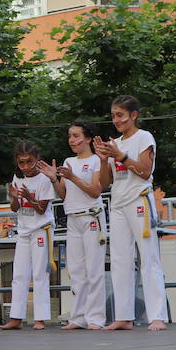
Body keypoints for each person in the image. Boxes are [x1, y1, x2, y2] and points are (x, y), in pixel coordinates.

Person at [94, 95, 170, 331]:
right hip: (117, 204)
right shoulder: (115, 143)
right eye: (113, 115)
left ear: (133, 115)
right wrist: (103, 159)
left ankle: (157, 316)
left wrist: (120, 156)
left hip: (139, 201)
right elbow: (105, 183)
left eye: (120, 115)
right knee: (119, 260)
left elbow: (145, 172)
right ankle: (124, 316)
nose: (116, 120)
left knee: (148, 258)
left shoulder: (143, 137)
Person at [52, 120, 107, 330]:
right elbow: (63, 193)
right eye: (70, 136)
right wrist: (53, 179)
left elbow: (95, 190)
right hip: (72, 218)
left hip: (91, 217)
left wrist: (72, 176)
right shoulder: (68, 161)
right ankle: (78, 317)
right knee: (75, 271)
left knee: (93, 269)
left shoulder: (95, 161)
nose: (72, 140)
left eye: (76, 136)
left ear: (88, 138)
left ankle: (96, 318)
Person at [0, 141, 54, 331]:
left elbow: (42, 209)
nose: (25, 167)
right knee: (19, 274)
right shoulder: (17, 178)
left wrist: (30, 198)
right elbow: (15, 208)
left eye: (29, 162)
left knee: (40, 273)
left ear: (37, 159)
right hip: (23, 230)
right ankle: (16, 317)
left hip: (41, 228)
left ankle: (40, 318)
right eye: (21, 163)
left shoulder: (44, 180)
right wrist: (15, 196)